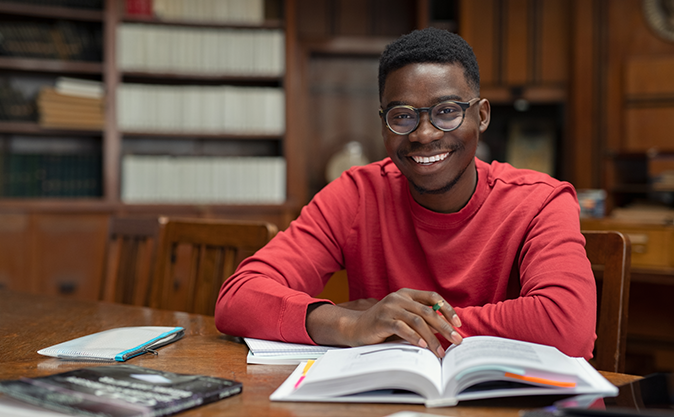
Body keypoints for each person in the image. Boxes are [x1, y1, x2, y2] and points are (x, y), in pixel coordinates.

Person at [215, 27, 596, 360]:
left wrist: (405, 325)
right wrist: (351, 324)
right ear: (383, 124)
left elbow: (567, 325)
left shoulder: (541, 201)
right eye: (402, 116)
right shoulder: (356, 194)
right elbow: (238, 299)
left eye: (447, 111)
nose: (424, 134)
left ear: (481, 116)